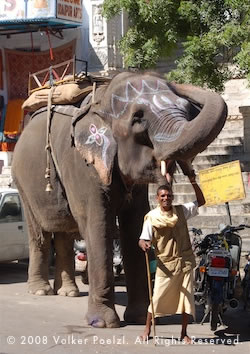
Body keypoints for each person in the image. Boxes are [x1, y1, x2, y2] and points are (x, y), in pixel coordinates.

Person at [138, 162, 205, 344]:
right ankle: (146, 330)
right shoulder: (152, 218)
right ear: (158, 198)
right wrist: (144, 244)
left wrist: (193, 181)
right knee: (157, 297)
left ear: (172, 197)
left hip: (185, 263)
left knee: (186, 300)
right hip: (166, 266)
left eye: (168, 195)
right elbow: (143, 238)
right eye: (163, 196)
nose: (166, 198)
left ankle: (184, 333)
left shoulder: (182, 211)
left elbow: (201, 201)